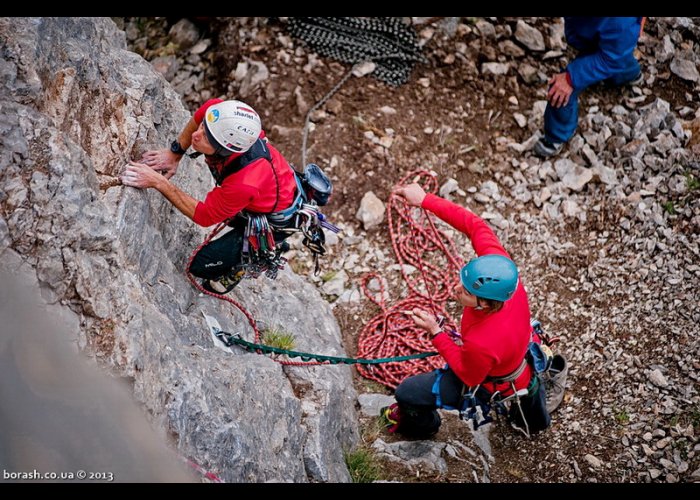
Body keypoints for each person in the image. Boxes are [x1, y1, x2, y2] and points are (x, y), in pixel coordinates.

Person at [380, 183, 550, 438]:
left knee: (408, 393)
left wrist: (436, 332)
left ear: (486, 304)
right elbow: (474, 225)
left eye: (468, 292)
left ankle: (423, 429)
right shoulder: (502, 270)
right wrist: (425, 199)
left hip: (494, 374)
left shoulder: (483, 341)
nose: (457, 288)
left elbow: (469, 376)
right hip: (515, 354)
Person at [121, 98, 300, 293]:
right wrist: (175, 153)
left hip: (275, 220)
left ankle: (249, 259)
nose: (196, 136)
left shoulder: (245, 183)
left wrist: (158, 182)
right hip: (261, 195)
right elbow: (202, 114)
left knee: (201, 266)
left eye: (207, 137)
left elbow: (205, 216)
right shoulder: (221, 116)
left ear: (225, 149)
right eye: (203, 128)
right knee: (231, 211)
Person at [534, 17, 645, 158]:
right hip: (596, 29)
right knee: (614, 54)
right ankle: (630, 73)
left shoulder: (620, 24)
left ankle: (556, 136)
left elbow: (610, 60)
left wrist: (570, 78)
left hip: (614, 35)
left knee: (561, 88)